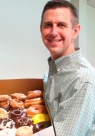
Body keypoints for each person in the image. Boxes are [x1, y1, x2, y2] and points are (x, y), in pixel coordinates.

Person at [40, 0, 95, 135]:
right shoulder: (50, 73)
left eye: (61, 25)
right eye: (48, 25)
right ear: (41, 30)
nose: (53, 32)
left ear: (75, 31)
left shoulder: (82, 81)